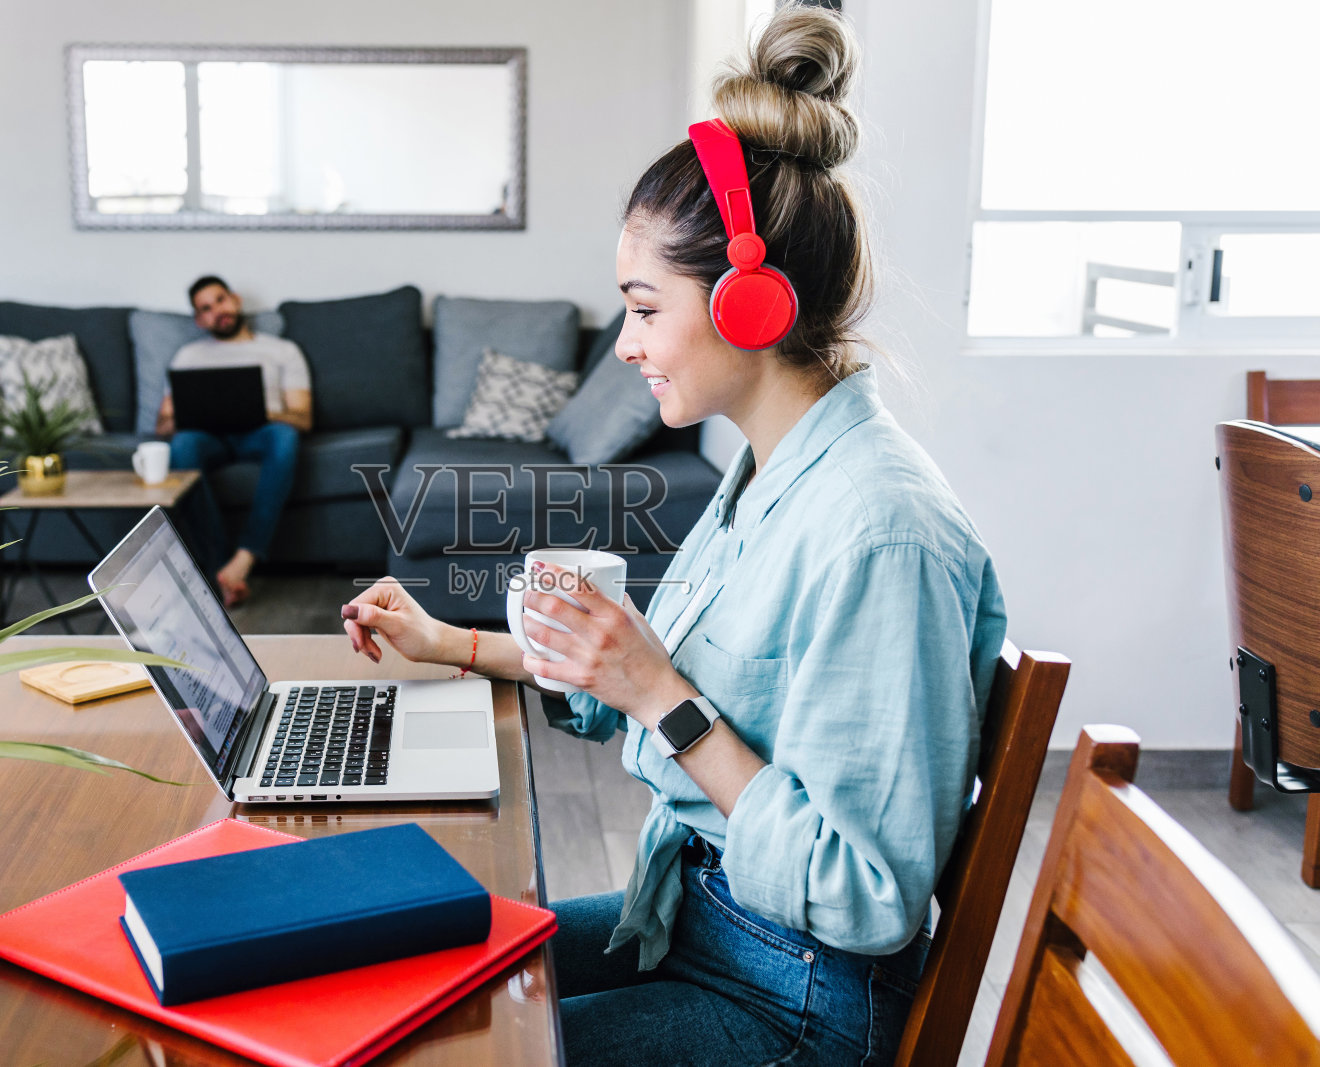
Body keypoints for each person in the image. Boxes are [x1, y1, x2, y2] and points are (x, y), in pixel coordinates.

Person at [339, 6, 1007, 1066]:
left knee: (448, 1049)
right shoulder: (767, 476)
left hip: (797, 1003)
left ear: (750, 305)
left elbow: (865, 894)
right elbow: (644, 677)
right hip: (697, 917)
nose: (625, 345)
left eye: (645, 310)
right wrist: (452, 642)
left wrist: (662, 696)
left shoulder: (882, 534)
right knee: (401, 976)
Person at [156, 275, 312, 606]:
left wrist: (261, 410)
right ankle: (220, 570)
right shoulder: (188, 356)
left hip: (261, 432)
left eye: (220, 300)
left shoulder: (282, 350)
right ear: (199, 320)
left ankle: (244, 558)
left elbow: (303, 418)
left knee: (285, 436)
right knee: (182, 445)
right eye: (206, 309)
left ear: (236, 300)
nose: (217, 311)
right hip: (208, 437)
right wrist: (190, 415)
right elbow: (163, 425)